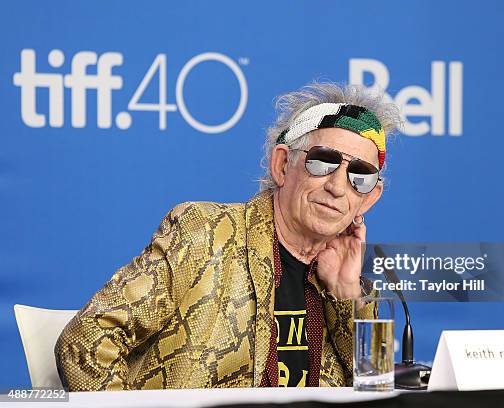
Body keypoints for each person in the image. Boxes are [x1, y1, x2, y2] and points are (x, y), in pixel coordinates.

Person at [54, 82, 400, 391]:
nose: (338, 187)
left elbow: (379, 387)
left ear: (369, 197)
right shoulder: (203, 234)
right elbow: (84, 342)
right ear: (282, 165)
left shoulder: (355, 284)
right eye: (323, 162)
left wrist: (347, 294)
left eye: (360, 175)